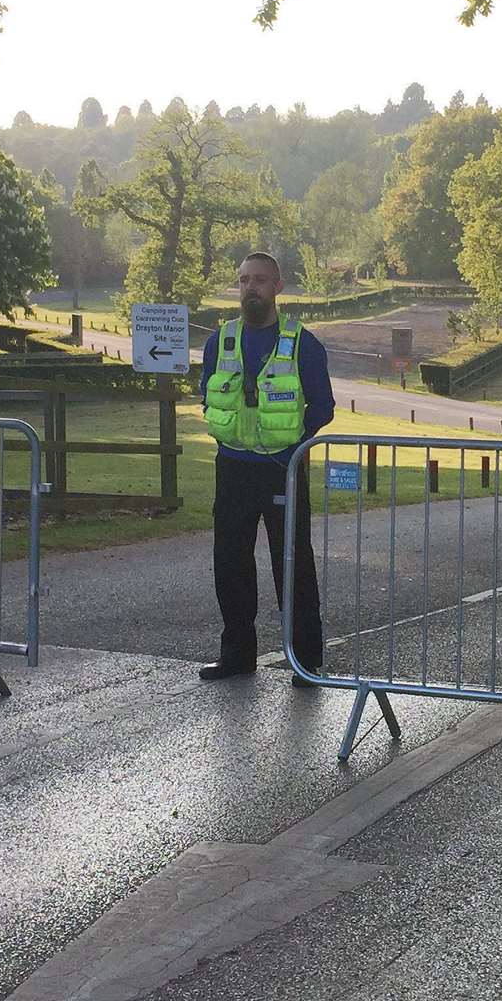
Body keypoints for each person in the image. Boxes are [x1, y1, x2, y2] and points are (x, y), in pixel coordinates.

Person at [197, 252, 334, 685]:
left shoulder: (303, 342)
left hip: (283, 469)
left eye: (259, 280)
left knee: (292, 563)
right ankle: (237, 655)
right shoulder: (220, 341)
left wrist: (291, 441)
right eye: (243, 280)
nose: (249, 288)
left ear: (277, 286)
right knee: (231, 562)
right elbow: (208, 397)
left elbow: (323, 406)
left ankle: (305, 661)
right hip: (233, 468)